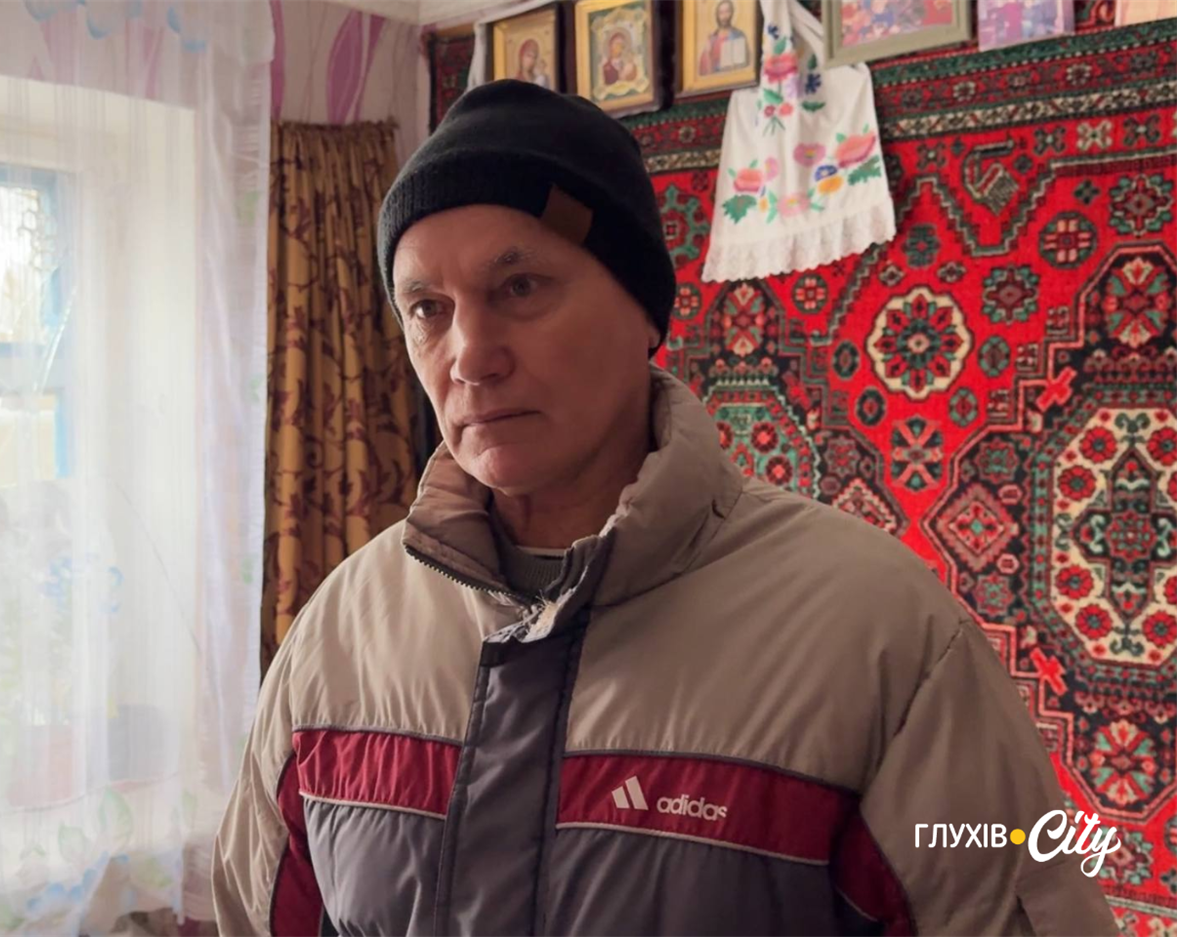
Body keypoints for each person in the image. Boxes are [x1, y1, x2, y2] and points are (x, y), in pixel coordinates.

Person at [212, 80, 1118, 937]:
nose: (470, 354)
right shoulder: (339, 635)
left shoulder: (884, 638)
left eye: (520, 288)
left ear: (644, 310)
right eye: (428, 308)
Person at [699, 0, 750, 74]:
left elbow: (744, 65)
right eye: (721, 13)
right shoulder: (712, 40)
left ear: (732, 13)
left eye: (727, 11)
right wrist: (708, 53)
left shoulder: (738, 36)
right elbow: (704, 70)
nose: (724, 16)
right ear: (717, 15)